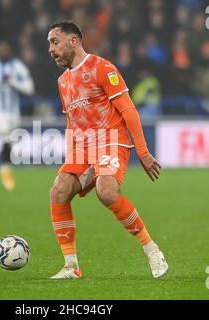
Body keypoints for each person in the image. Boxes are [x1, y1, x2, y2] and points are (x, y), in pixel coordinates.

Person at [47, 21, 168, 280]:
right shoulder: (63, 81)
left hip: (111, 141)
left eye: (54, 42)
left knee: (107, 191)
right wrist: (73, 159)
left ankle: (152, 251)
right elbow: (72, 122)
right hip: (83, 148)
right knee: (58, 191)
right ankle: (71, 266)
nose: (50, 49)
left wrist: (143, 152)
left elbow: (128, 110)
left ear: (73, 41)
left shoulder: (103, 68)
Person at [0, 41, 34, 191]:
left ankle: (5, 166)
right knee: (4, 135)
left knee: (10, 140)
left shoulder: (18, 66)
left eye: (5, 49)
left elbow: (29, 88)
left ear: (10, 51)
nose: (3, 52)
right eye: (0, 49)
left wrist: (13, 81)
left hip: (13, 112)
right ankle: (4, 169)